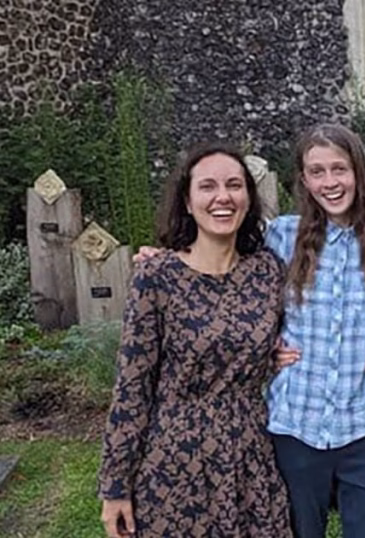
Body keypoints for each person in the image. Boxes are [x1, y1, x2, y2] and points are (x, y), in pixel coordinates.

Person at [98, 142, 292, 537]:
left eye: (234, 185)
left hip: (249, 452)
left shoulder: (268, 271)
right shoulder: (157, 276)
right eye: (207, 186)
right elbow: (132, 386)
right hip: (176, 459)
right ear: (187, 202)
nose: (223, 197)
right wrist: (115, 486)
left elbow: (304, 326)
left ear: (248, 199)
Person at [265, 124, 365, 538]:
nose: (330, 182)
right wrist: (263, 348)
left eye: (339, 169)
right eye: (317, 171)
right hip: (297, 420)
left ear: (358, 173)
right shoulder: (280, 236)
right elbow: (224, 277)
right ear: (304, 180)